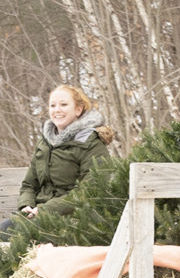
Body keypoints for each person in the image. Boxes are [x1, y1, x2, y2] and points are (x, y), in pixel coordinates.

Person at [14, 83, 115, 223]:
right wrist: (26, 205)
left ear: (78, 110)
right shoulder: (44, 143)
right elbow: (29, 185)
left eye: (63, 104)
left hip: (75, 218)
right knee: (7, 229)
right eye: (53, 105)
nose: (57, 110)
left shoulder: (92, 143)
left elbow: (92, 190)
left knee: (18, 232)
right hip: (39, 213)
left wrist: (46, 209)